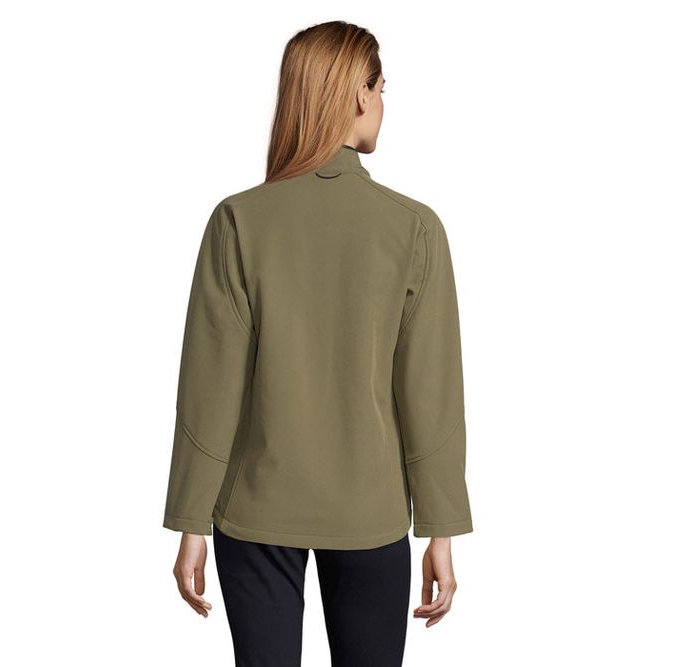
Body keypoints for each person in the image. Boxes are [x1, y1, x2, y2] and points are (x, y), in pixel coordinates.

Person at [162, 20, 473, 666]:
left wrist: (190, 519)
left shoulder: (238, 221)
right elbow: (431, 395)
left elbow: (209, 389)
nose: (383, 103)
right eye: (382, 88)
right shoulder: (414, 229)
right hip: (370, 516)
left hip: (254, 514)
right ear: (359, 94)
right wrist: (440, 530)